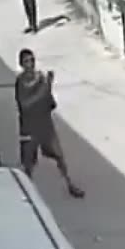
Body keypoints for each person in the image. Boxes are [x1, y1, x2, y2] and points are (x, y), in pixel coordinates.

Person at [14, 48, 84, 198]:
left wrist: (48, 85)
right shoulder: (20, 82)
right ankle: (27, 193)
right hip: (29, 127)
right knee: (28, 163)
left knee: (59, 155)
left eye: (32, 60)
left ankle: (69, 183)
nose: (30, 64)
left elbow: (49, 101)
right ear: (21, 64)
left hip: (45, 123)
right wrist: (45, 89)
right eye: (26, 61)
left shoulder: (40, 78)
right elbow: (25, 104)